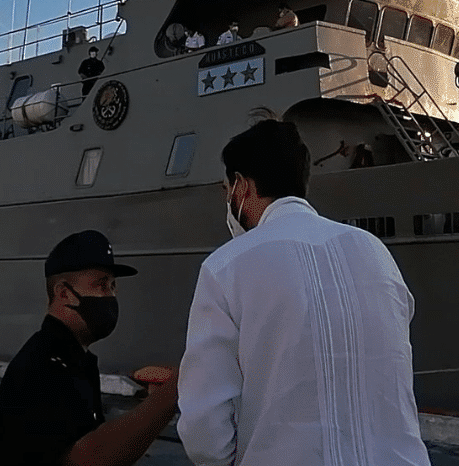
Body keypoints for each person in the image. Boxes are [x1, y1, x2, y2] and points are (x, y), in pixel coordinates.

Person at [177, 119, 430, 466]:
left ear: (241, 186)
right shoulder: (375, 252)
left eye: (226, 190)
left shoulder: (225, 268)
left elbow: (206, 434)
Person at [0, 230, 178, 466]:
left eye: (113, 286)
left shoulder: (73, 360)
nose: (111, 295)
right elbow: (86, 458)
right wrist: (172, 392)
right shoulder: (43, 367)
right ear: (64, 293)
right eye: (101, 285)